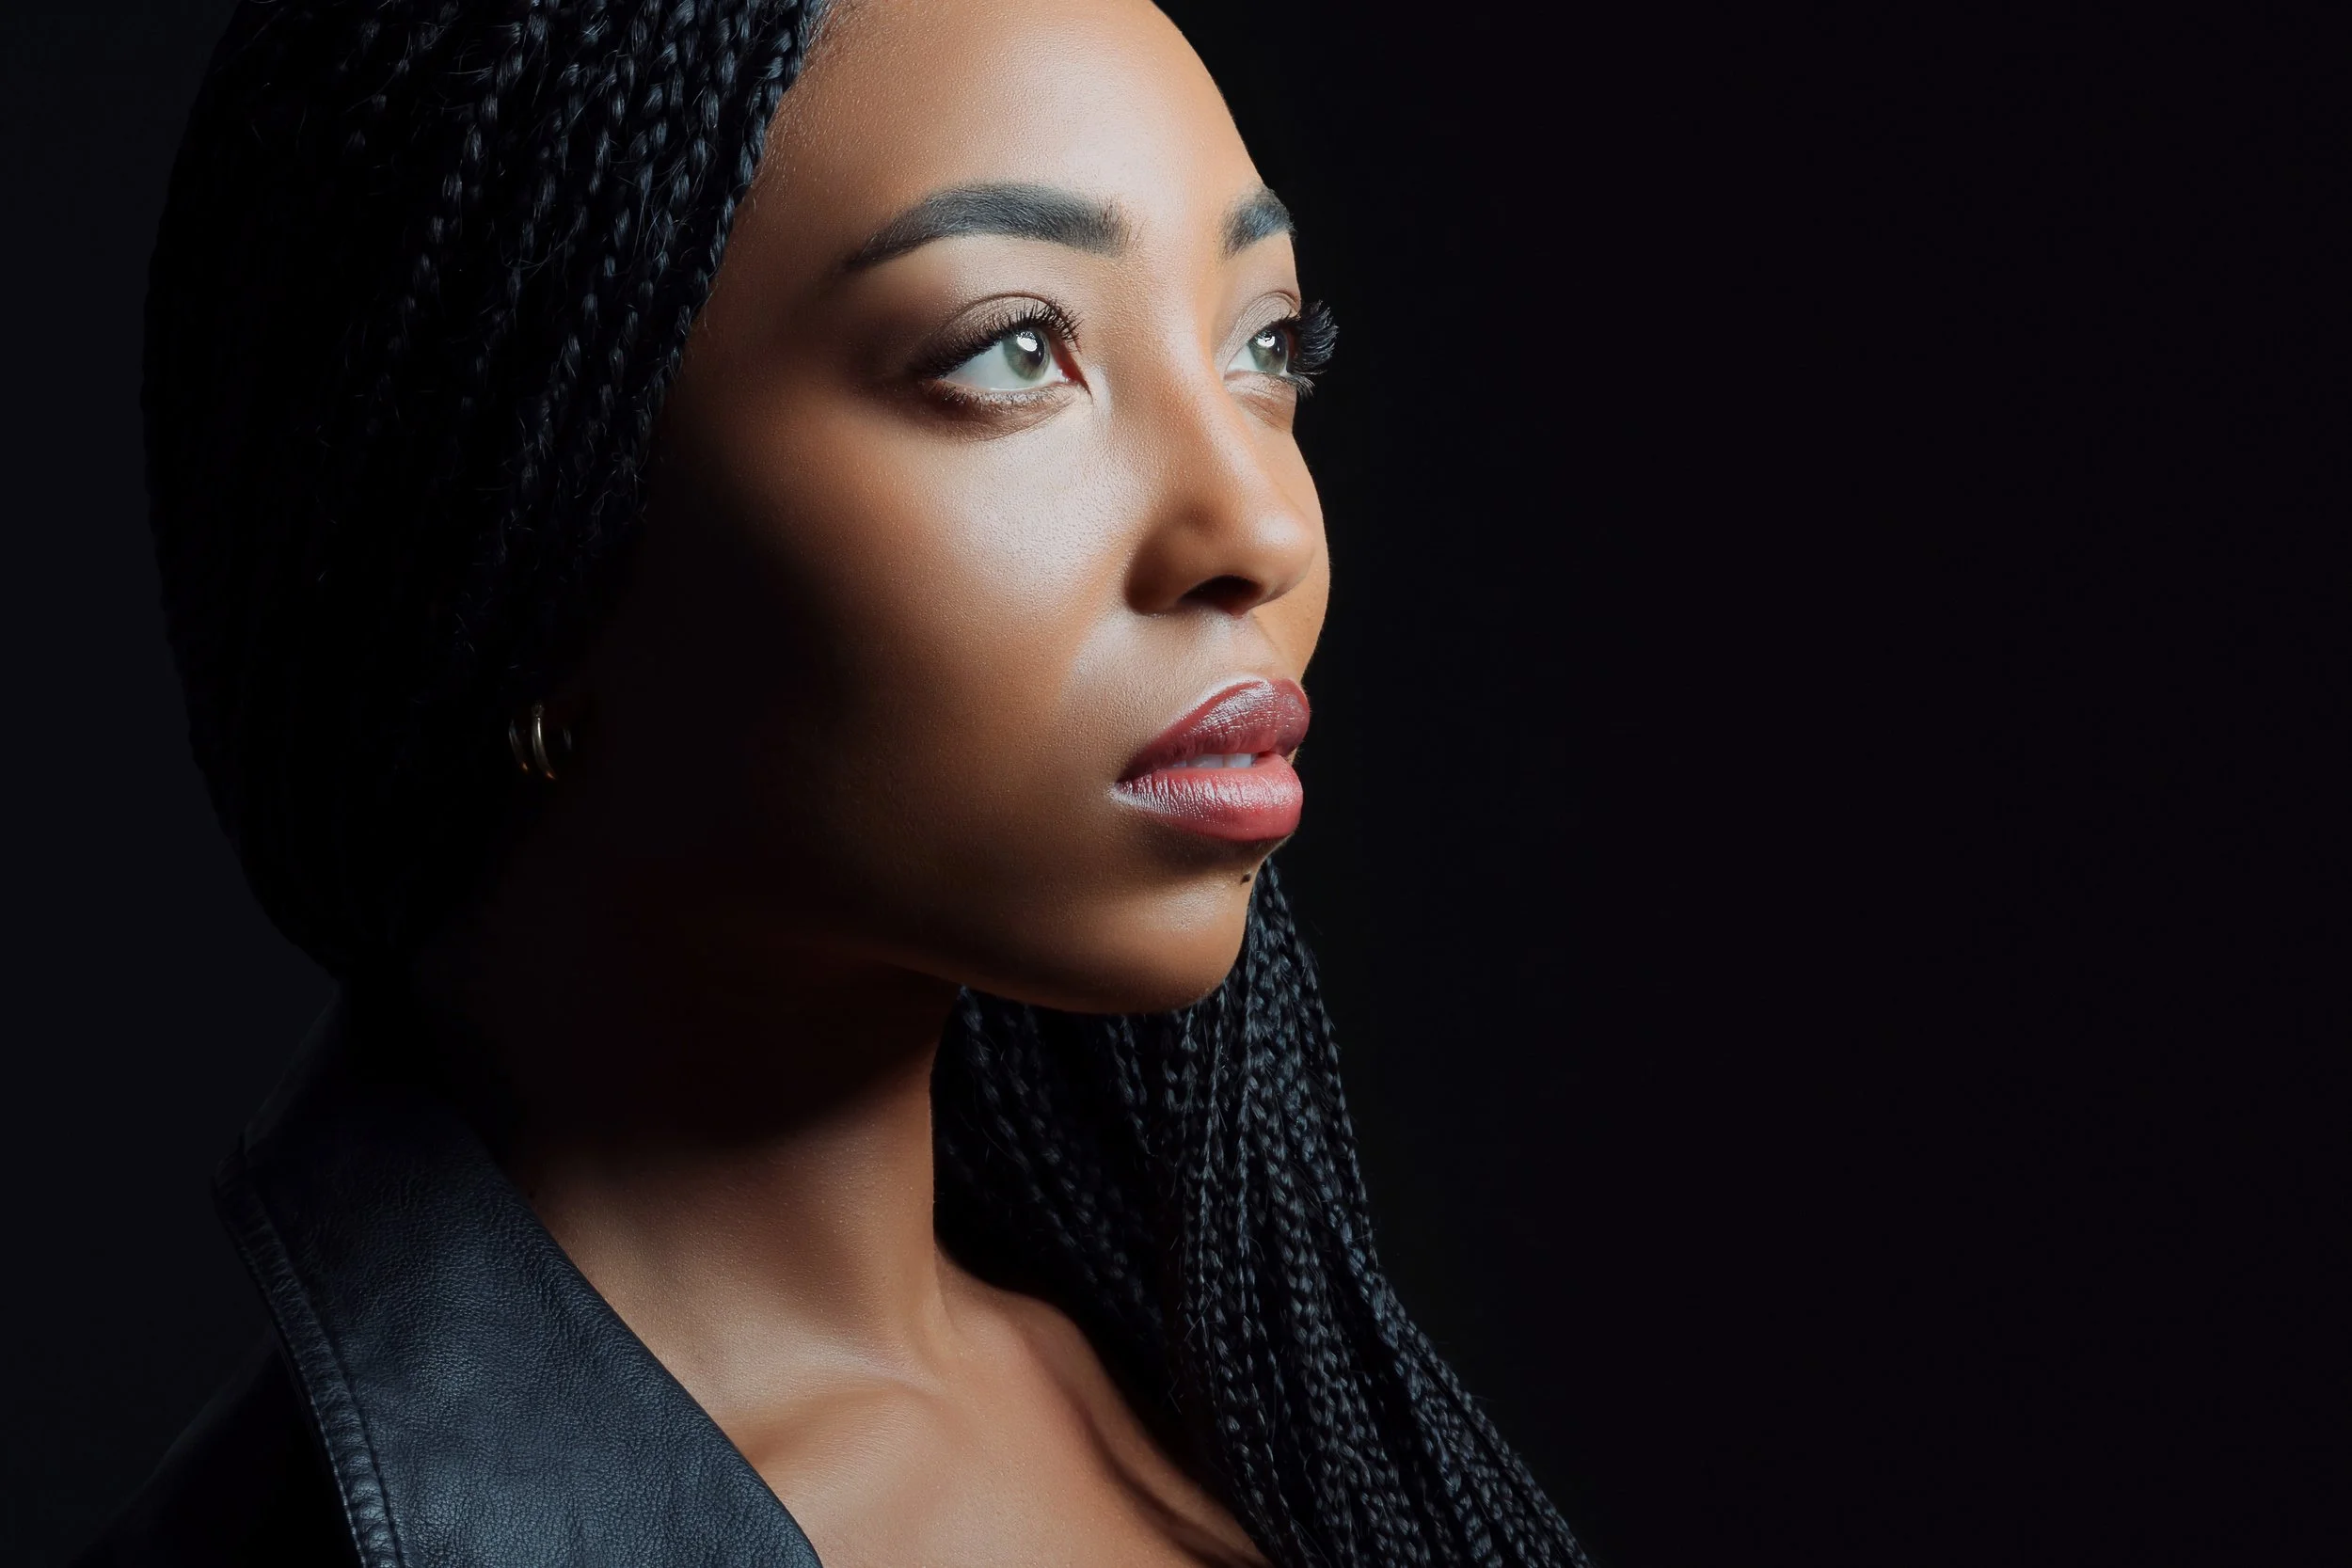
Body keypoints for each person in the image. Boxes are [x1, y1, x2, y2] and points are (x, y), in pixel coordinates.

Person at [84, 0, 1584, 1563]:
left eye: (1269, 345)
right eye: (1016, 345)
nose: (1263, 527)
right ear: (516, 515)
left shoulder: (1234, 1374)